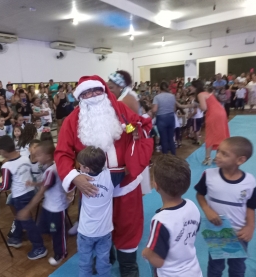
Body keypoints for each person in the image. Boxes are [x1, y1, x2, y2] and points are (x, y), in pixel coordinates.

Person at [55, 75, 153, 277]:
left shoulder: (119, 109)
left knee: (128, 226)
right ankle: (105, 258)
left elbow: (141, 124)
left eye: (96, 91)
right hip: (91, 187)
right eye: (86, 93)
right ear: (80, 96)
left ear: (104, 91)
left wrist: (137, 131)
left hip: (125, 184)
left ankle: (128, 267)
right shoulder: (72, 121)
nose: (92, 96)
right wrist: (75, 177)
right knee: (96, 228)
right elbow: (62, 154)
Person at [195, 137, 256, 277]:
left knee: (237, 269)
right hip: (217, 232)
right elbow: (200, 195)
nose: (217, 155)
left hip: (239, 234)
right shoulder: (208, 175)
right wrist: (207, 210)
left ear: (240, 160)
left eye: (225, 154)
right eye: (218, 151)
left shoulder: (249, 182)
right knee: (215, 268)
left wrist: (250, 227)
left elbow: (251, 206)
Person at [142, 154, 202, 277]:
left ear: (156, 186)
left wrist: (146, 253)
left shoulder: (160, 221)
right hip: (194, 271)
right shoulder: (192, 206)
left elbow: (158, 261)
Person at [0, 136, 47, 260]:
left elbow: (5, 185)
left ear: (2, 151)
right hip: (30, 192)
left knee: (28, 223)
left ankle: (40, 247)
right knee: (20, 216)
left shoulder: (6, 166)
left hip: (19, 196)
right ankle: (16, 238)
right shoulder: (24, 158)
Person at [16, 141, 68, 265]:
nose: (36, 157)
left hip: (56, 209)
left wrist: (27, 209)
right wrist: (35, 184)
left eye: (39, 154)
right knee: (43, 227)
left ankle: (61, 254)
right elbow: (46, 183)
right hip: (48, 206)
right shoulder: (47, 168)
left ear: (48, 156)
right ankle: (47, 243)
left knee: (57, 232)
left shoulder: (51, 170)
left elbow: (40, 193)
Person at [73, 146, 114, 276]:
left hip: (86, 232)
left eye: (81, 165)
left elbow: (68, 177)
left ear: (87, 169)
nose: (79, 168)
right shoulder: (111, 175)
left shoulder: (81, 178)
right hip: (104, 231)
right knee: (104, 263)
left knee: (85, 264)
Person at [178, 80, 230, 165]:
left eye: (190, 86)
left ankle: (207, 158)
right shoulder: (205, 93)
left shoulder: (200, 94)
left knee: (210, 135)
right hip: (221, 113)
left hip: (213, 114)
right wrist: (181, 106)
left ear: (195, 87)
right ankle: (217, 157)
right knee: (220, 134)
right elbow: (195, 105)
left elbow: (204, 108)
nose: (189, 87)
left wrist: (197, 107)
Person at [152, 82, 177, 155]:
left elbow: (154, 110)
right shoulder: (172, 96)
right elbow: (174, 108)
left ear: (160, 88)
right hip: (171, 117)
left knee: (164, 139)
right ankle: (174, 155)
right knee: (171, 138)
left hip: (161, 118)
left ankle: (165, 157)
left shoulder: (157, 97)